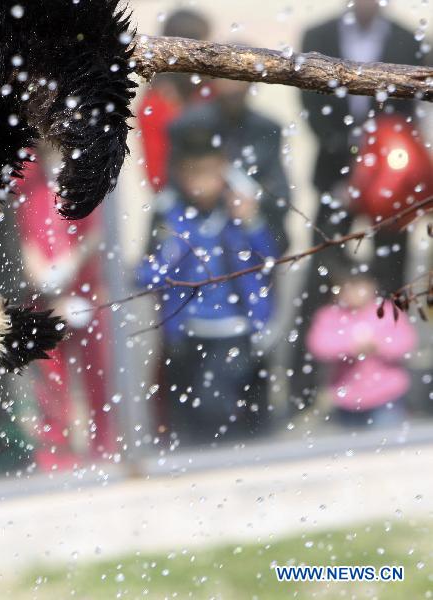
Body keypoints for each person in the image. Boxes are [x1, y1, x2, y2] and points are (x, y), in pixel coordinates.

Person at [293, 0, 424, 405]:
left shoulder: (408, 38)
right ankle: (306, 380)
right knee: (323, 264)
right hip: (336, 168)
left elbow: (412, 106)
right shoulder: (319, 36)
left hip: (392, 172)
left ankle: (393, 374)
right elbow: (311, 102)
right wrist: (348, 151)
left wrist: (383, 156)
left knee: (392, 267)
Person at [137, 127, 278, 444]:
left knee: (234, 409)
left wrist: (251, 219)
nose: (201, 184)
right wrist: (170, 247)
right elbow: (148, 274)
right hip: (189, 331)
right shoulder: (171, 216)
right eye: (194, 174)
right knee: (193, 413)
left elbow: (269, 260)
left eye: (212, 174)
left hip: (237, 328)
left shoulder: (236, 215)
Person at [16, 154, 116, 470]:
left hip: (87, 288)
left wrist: (73, 264)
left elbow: (101, 231)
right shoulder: (28, 175)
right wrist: (41, 274)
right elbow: (24, 231)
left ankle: (105, 447)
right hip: (42, 294)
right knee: (50, 379)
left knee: (98, 374)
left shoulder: (88, 163)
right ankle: (56, 453)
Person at [168, 76, 291, 251]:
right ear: (212, 80)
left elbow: (281, 195)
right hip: (196, 225)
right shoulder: (190, 124)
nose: (233, 88)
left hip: (249, 229)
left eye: (240, 79)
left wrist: (253, 206)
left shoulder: (267, 129)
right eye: (227, 78)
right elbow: (173, 182)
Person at [306, 274, 417, 428]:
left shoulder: (388, 311)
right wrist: (350, 347)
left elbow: (406, 343)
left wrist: (378, 346)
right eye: (347, 288)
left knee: (390, 446)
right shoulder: (330, 315)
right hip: (348, 398)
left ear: (372, 287)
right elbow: (318, 346)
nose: (354, 293)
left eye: (359, 287)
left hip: (386, 395)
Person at [138, 9, 212, 192]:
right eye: (207, 47)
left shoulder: (209, 90)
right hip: (176, 201)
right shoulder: (154, 106)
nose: (213, 54)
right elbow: (156, 177)